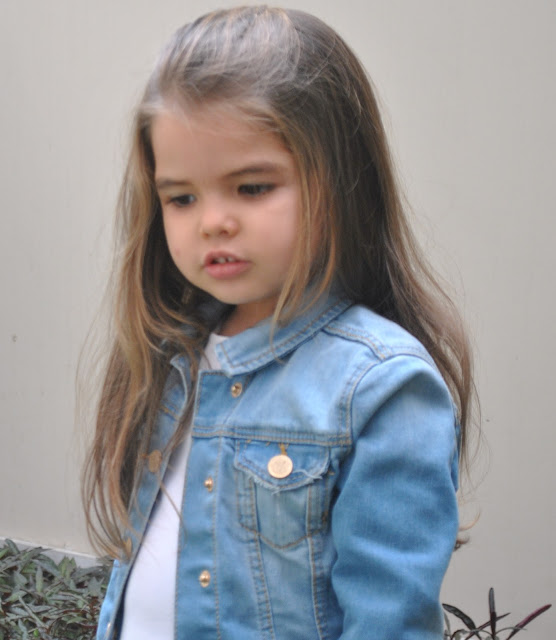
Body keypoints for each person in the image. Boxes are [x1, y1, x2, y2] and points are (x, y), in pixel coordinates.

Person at [83, 6, 475, 639]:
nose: (212, 221)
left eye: (252, 188)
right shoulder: (170, 353)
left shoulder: (380, 388)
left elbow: (390, 623)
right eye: (181, 197)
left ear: (340, 180)